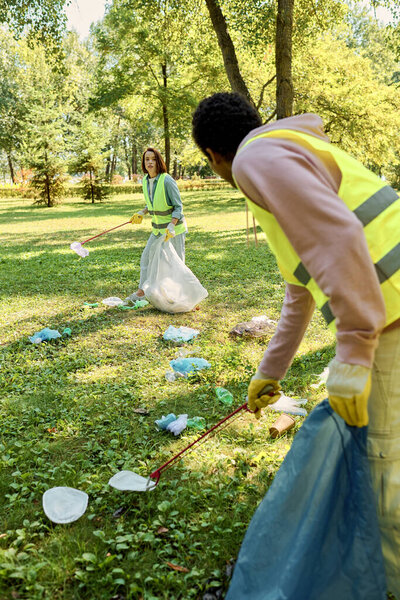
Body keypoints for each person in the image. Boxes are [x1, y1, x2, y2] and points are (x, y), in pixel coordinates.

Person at [192, 92, 400, 596]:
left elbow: (338, 238)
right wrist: (271, 370)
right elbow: (299, 290)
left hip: (391, 317)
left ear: (214, 157)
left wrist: (353, 350)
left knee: (385, 472)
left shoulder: (254, 160)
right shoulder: (285, 148)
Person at [125, 147, 187, 304]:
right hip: (158, 230)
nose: (150, 162)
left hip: (174, 230)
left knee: (176, 263)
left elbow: (178, 207)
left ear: (158, 161)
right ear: (144, 162)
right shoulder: (146, 181)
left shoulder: (167, 180)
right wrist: (142, 212)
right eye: (147, 159)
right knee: (146, 258)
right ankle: (141, 292)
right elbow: (152, 203)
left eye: (153, 159)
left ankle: (178, 296)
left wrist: (172, 226)